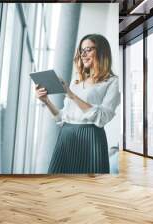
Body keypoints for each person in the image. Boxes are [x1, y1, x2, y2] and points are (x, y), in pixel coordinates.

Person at [35, 34, 120, 174]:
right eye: (81, 51)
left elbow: (103, 117)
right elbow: (62, 117)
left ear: (101, 51)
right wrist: (46, 101)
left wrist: (72, 95)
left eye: (88, 50)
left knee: (90, 187)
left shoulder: (112, 82)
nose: (83, 54)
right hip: (66, 136)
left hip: (91, 138)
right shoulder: (77, 81)